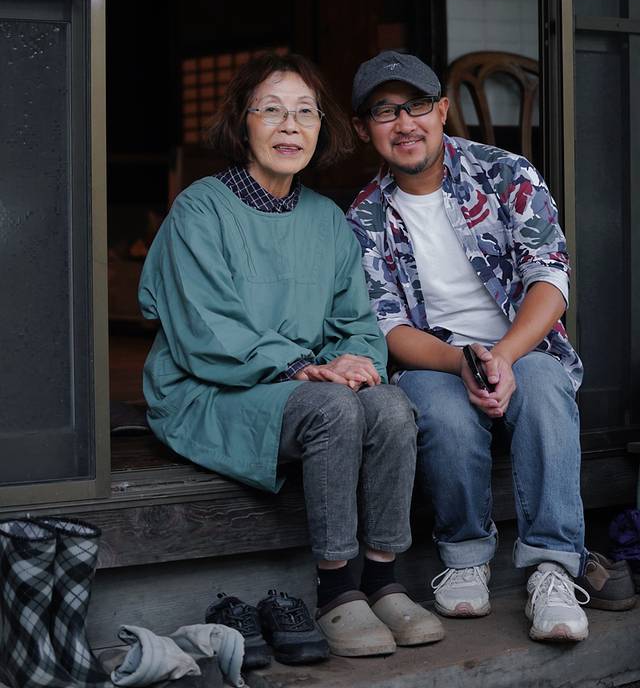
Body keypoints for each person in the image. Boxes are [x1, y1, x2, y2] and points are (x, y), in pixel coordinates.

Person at [138, 52, 444, 660]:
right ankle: (336, 590)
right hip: (211, 388)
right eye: (271, 111)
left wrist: (355, 362)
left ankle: (382, 579)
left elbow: (356, 323)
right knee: (333, 408)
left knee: (389, 405)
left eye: (305, 112)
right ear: (242, 122)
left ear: (321, 127)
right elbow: (205, 327)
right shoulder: (201, 208)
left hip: (304, 384)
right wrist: (304, 366)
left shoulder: (326, 219)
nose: (289, 127)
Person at [346, 50, 590, 643]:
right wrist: (461, 362)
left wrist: (501, 356)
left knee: (545, 388)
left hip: (523, 345)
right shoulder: (364, 217)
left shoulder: (506, 174)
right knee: (441, 410)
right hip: (436, 357)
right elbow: (388, 326)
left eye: (417, 106)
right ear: (363, 129)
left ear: (442, 110)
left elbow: (550, 278)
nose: (405, 123)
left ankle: (554, 567)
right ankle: (464, 556)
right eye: (385, 111)